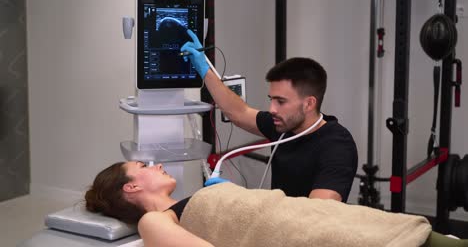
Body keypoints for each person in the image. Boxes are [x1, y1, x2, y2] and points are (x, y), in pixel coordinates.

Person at [85, 161, 468, 247]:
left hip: (319, 216)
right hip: (306, 234)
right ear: (131, 186)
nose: (156, 164)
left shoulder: (196, 195)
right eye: (143, 165)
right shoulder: (156, 221)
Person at [180, 30, 358, 202]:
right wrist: (204, 68)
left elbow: (316, 212)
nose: (271, 109)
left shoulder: (337, 145)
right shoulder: (284, 125)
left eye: (280, 101)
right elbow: (239, 112)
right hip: (276, 227)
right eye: (271, 99)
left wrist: (245, 199)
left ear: (309, 103)